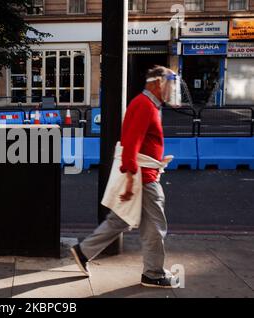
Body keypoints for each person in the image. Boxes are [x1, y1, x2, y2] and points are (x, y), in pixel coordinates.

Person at [70, 66, 181, 288]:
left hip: (143, 174)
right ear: (157, 83)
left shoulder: (147, 104)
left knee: (119, 219)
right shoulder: (144, 105)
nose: (172, 88)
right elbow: (131, 142)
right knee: (155, 227)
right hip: (144, 177)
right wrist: (130, 179)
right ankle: (153, 273)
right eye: (169, 82)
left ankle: (83, 252)